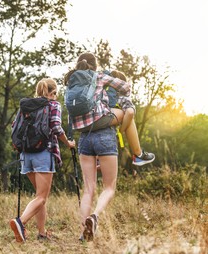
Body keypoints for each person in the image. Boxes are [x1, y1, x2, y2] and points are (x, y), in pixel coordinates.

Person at [9, 78, 76, 242]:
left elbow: (14, 126)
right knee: (41, 197)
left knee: (39, 197)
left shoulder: (26, 106)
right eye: (56, 93)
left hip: (26, 154)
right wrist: (68, 143)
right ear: (53, 93)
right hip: (44, 152)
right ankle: (20, 222)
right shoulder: (53, 105)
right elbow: (55, 126)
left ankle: (42, 233)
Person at [64, 53, 155, 166]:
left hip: (77, 126)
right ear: (95, 66)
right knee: (127, 112)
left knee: (89, 184)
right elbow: (125, 87)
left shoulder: (70, 80)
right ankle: (138, 154)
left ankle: (98, 159)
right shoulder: (98, 76)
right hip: (96, 119)